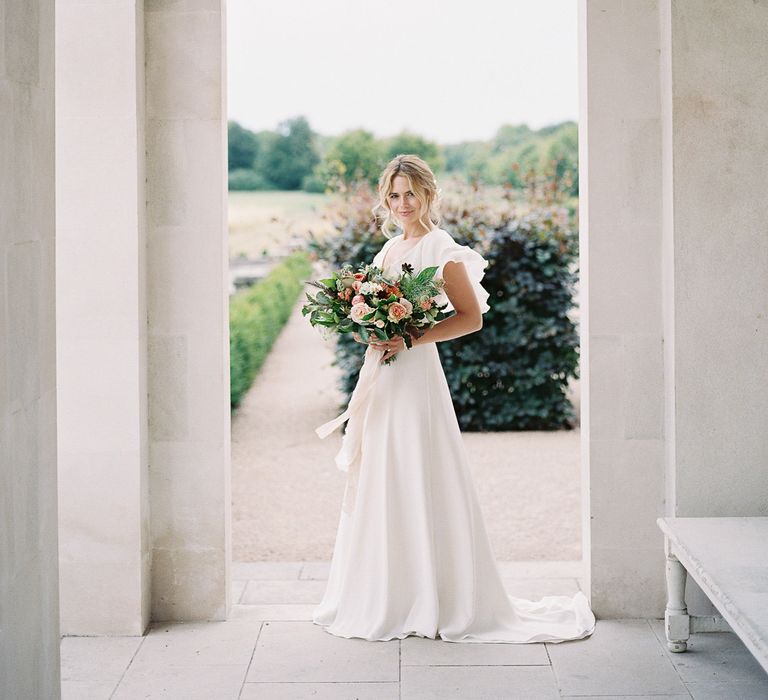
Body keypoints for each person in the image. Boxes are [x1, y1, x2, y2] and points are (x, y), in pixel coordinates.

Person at [312, 154, 596, 643]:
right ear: (386, 200)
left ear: (428, 194)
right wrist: (368, 330)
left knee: (418, 468)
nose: (402, 204)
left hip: (415, 376)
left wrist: (409, 338)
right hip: (383, 376)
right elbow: (374, 317)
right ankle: (387, 592)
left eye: (410, 193)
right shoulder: (386, 251)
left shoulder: (440, 247)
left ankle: (433, 594)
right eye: (393, 195)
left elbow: (470, 317)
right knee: (383, 470)